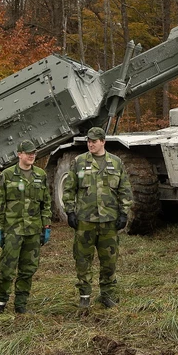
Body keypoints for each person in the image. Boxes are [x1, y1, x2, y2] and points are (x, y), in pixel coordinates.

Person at [64, 127, 132, 309]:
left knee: (109, 260)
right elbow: (70, 188)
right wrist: (70, 212)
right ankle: (84, 295)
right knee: (82, 259)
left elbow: (124, 189)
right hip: (85, 220)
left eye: (94, 141)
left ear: (103, 141)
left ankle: (107, 294)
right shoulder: (79, 162)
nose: (90, 144)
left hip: (109, 220)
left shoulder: (116, 163)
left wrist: (124, 213)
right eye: (89, 141)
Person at [0, 139, 51, 314]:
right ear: (19, 154)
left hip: (33, 230)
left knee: (28, 269)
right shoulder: (7, 175)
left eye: (34, 153)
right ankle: (1, 302)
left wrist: (46, 225)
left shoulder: (40, 175)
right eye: (28, 153)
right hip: (12, 230)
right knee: (7, 269)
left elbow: (46, 202)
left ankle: (21, 304)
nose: (32, 156)